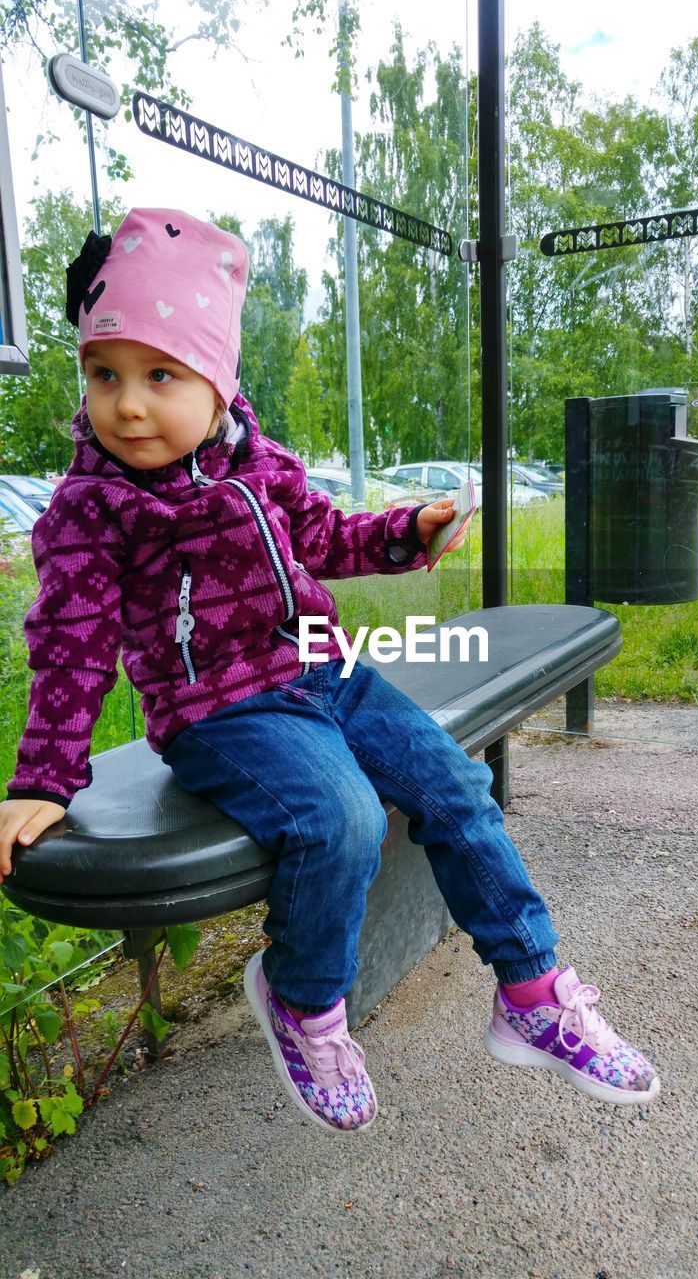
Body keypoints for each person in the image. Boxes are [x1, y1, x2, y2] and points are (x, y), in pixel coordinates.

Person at [0, 208, 660, 1134]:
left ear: (219, 384)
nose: (128, 403)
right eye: (104, 374)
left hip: (323, 670)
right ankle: (302, 999)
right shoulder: (91, 508)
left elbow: (321, 537)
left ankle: (533, 992)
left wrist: (405, 533)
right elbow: (68, 641)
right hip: (219, 708)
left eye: (160, 374)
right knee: (339, 817)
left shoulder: (258, 462)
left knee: (458, 787)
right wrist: (41, 777)